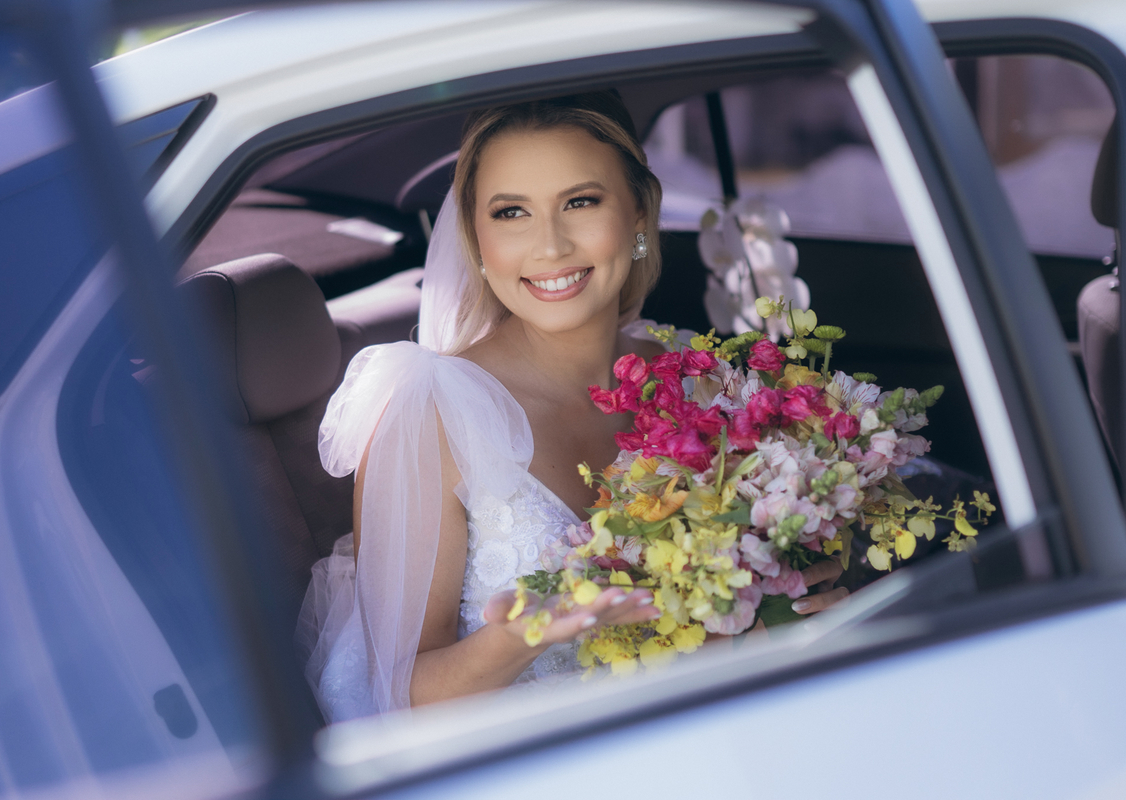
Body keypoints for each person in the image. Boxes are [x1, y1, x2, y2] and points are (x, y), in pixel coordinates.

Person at [297, 91, 847, 723]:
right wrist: (524, 635)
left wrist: (799, 584)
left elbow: (740, 609)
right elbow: (400, 696)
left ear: (639, 215)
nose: (551, 247)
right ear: (475, 238)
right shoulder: (428, 414)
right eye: (511, 213)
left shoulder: (700, 374)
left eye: (581, 202)